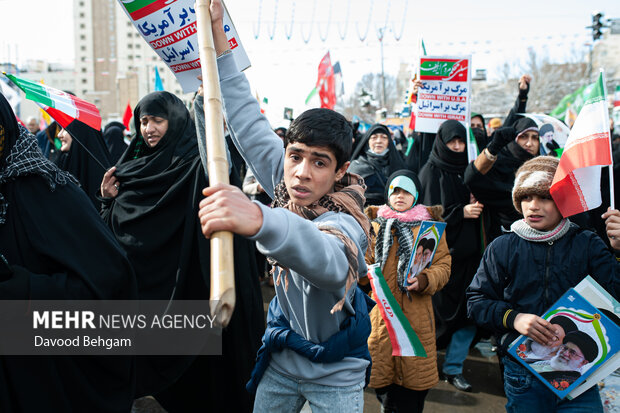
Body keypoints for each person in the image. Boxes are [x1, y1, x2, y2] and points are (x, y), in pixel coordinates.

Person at [197, 2, 375, 410]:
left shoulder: (348, 218)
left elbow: (329, 260)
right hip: (280, 358)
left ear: (341, 169)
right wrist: (218, 37)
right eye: (295, 156)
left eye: (319, 162)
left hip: (336, 372)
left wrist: (260, 219)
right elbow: (243, 114)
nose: (301, 174)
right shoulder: (284, 178)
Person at [99, 90, 264, 412]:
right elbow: (113, 232)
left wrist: (205, 109)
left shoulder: (193, 164)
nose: (149, 129)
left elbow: (220, 174)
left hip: (191, 282)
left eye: (157, 120)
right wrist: (107, 199)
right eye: (144, 121)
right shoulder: (130, 170)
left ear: (174, 120)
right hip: (146, 293)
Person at [0, 93, 137, 411]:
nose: (59, 134)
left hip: (45, 379)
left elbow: (110, 284)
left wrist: (22, 291)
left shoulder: (48, 192)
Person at [467, 156, 618, 412]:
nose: (533, 206)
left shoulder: (587, 243)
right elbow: (476, 302)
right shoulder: (502, 247)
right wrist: (513, 318)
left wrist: (618, 252)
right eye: (526, 198)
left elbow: (614, 295)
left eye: (544, 197)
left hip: (580, 377)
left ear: (562, 200)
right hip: (524, 373)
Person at [365, 170, 451, 413]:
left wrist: (424, 280)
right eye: (395, 191)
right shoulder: (372, 225)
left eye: (406, 191)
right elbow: (363, 265)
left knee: (413, 391)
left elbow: (444, 266)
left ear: (416, 195)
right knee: (385, 387)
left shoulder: (430, 229)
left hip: (417, 321)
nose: (400, 196)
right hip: (381, 320)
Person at [418, 119, 483, 392]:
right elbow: (427, 215)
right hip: (443, 261)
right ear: (441, 142)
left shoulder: (471, 169)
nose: (456, 147)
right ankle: (425, 367)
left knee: (468, 317)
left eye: (460, 141)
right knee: (436, 319)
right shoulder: (430, 172)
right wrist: (460, 212)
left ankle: (454, 368)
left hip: (471, 258)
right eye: (451, 142)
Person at [464, 117, 540, 242]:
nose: (529, 143)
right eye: (524, 136)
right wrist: (492, 148)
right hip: (503, 239)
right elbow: (472, 178)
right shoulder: (499, 164)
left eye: (535, 138)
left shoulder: (540, 169)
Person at [54, 122, 112, 210]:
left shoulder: (103, 175)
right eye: (60, 129)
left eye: (65, 130)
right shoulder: (60, 163)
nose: (59, 135)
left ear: (79, 133)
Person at [348, 123, 406, 206]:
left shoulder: (398, 165)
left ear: (389, 141)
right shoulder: (356, 166)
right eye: (374, 137)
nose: (379, 141)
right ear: (367, 142)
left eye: (384, 137)